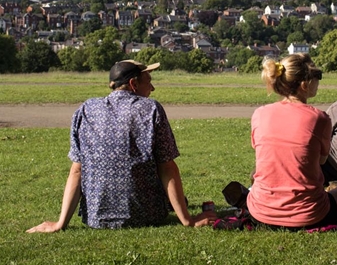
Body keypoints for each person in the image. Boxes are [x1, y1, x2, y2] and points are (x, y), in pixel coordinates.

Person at [27, 59, 215, 232]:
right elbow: (167, 168)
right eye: (148, 81)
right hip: (146, 215)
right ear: (133, 84)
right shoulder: (151, 109)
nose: (153, 88)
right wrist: (187, 220)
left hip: (96, 219)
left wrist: (60, 224)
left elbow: (77, 170)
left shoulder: (86, 109)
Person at [246, 53, 337, 229]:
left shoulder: (259, 114)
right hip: (309, 214)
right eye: (317, 76)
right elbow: (321, 160)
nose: (319, 81)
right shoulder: (319, 118)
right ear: (305, 84)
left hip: (260, 211)